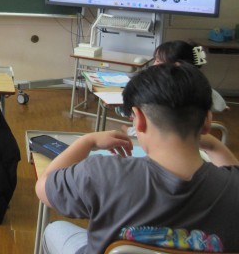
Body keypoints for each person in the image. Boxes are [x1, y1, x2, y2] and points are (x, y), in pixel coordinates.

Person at [35, 63, 239, 254]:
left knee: (54, 229)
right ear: (207, 121)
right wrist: (213, 144)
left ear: (139, 119)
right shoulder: (233, 187)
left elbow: (43, 187)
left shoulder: (102, 173)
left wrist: (87, 141)